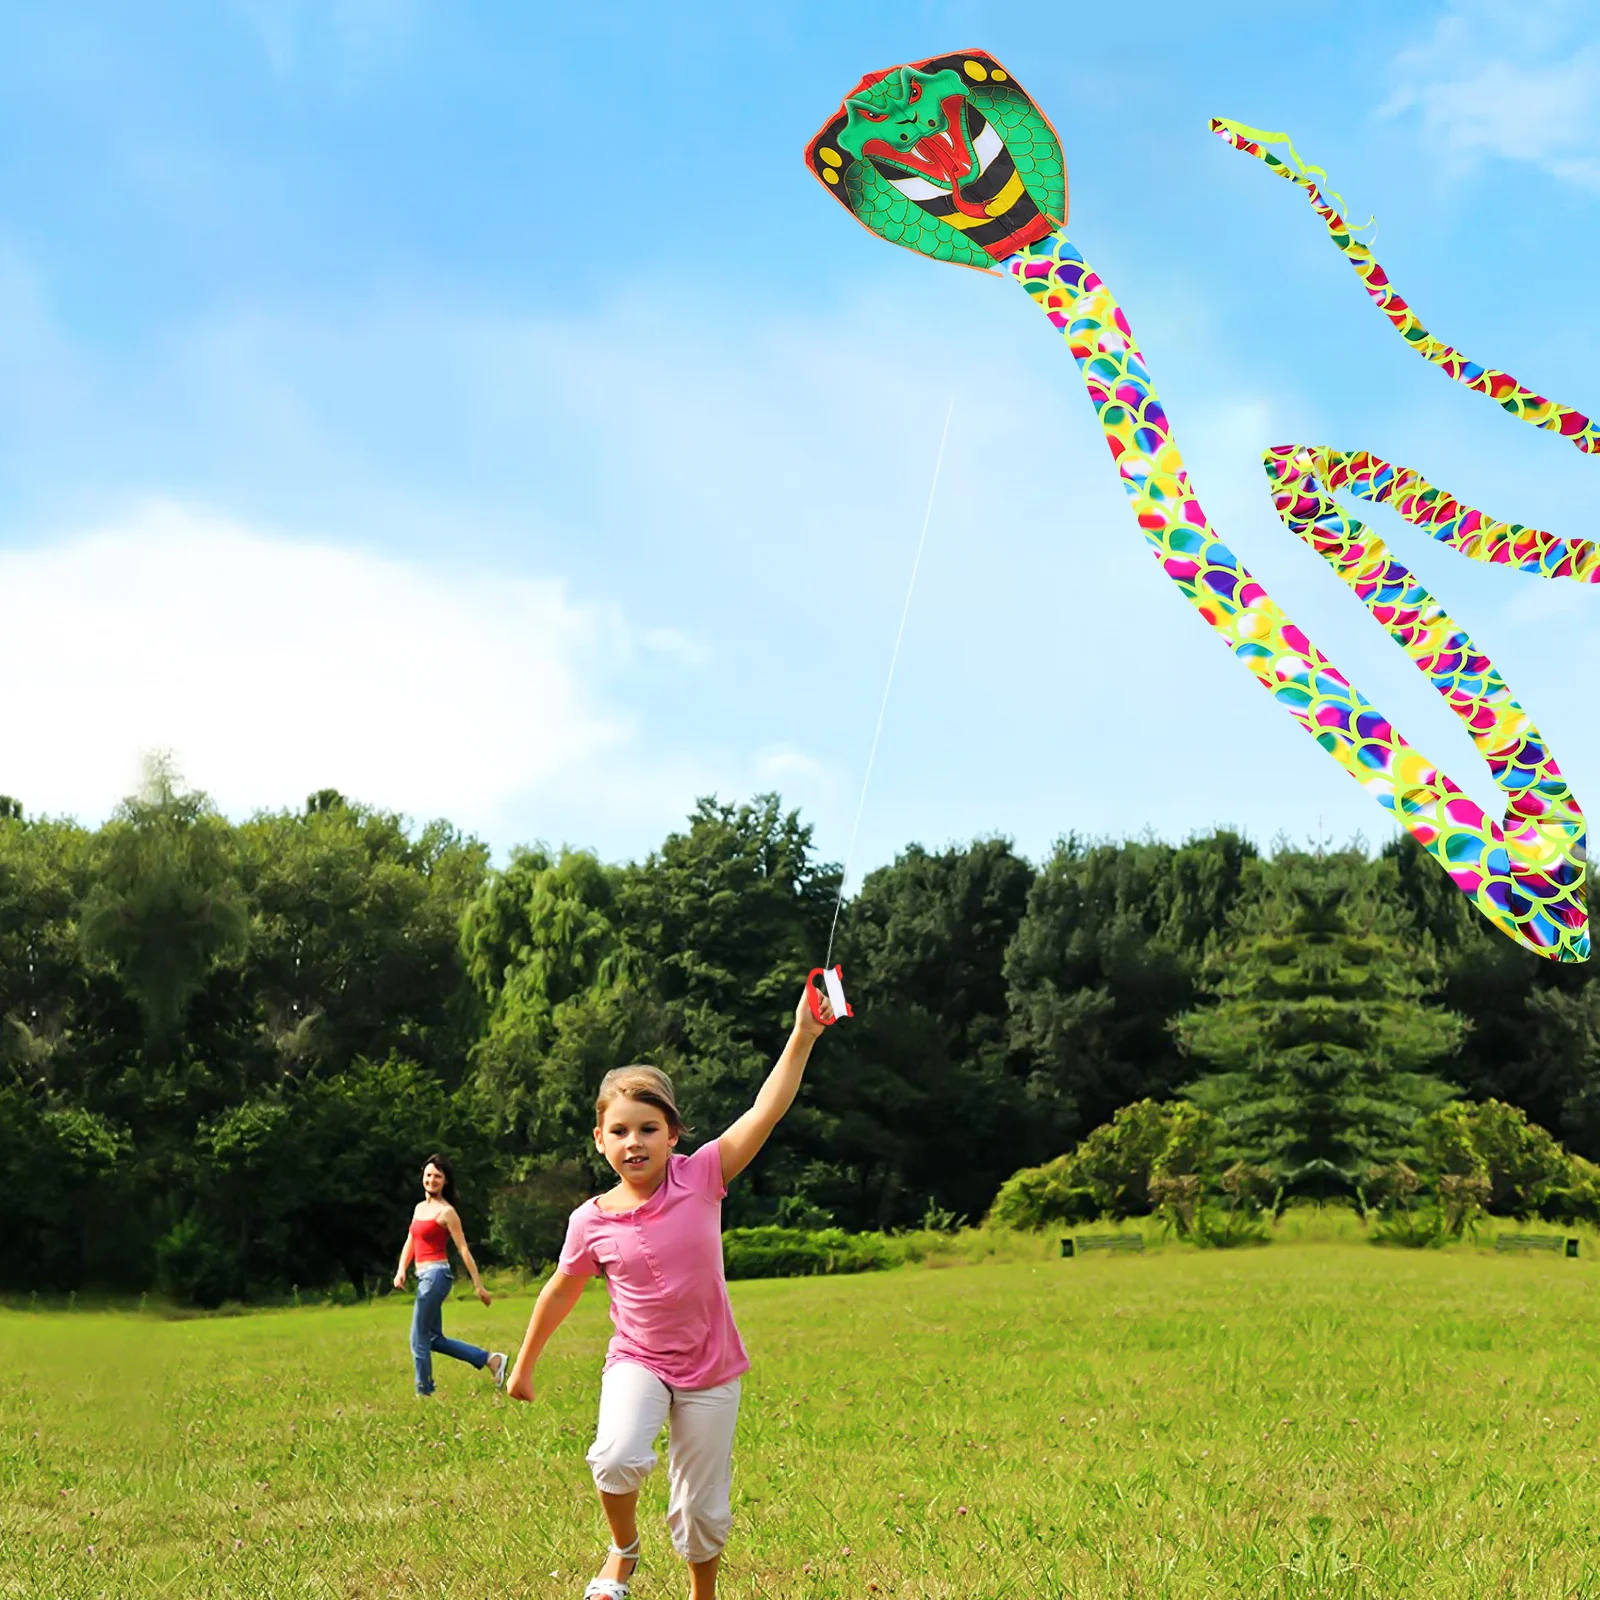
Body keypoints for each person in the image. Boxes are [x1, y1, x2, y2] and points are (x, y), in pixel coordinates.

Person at [506, 983, 833, 1600]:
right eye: (621, 1131)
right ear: (600, 1139)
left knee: (702, 1513)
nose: (635, 1142)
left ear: (673, 1134)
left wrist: (803, 1034)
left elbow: (766, 1109)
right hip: (639, 1360)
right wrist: (523, 1366)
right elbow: (559, 1292)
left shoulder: (702, 1176)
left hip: (711, 1369)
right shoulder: (590, 1221)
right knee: (615, 1455)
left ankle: (701, 1593)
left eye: (649, 1129)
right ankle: (623, 1550)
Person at [393, 1152, 507, 1396]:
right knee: (433, 1339)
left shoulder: (446, 1212)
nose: (432, 1180)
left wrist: (479, 1286)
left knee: (418, 1340)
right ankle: (491, 1360)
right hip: (423, 1275)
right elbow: (411, 1240)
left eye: (437, 1176)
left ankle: (423, 1393)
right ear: (422, 1177)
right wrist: (402, 1269)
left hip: (436, 1276)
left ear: (445, 1181)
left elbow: (463, 1249)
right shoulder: (419, 1208)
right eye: (428, 1175)